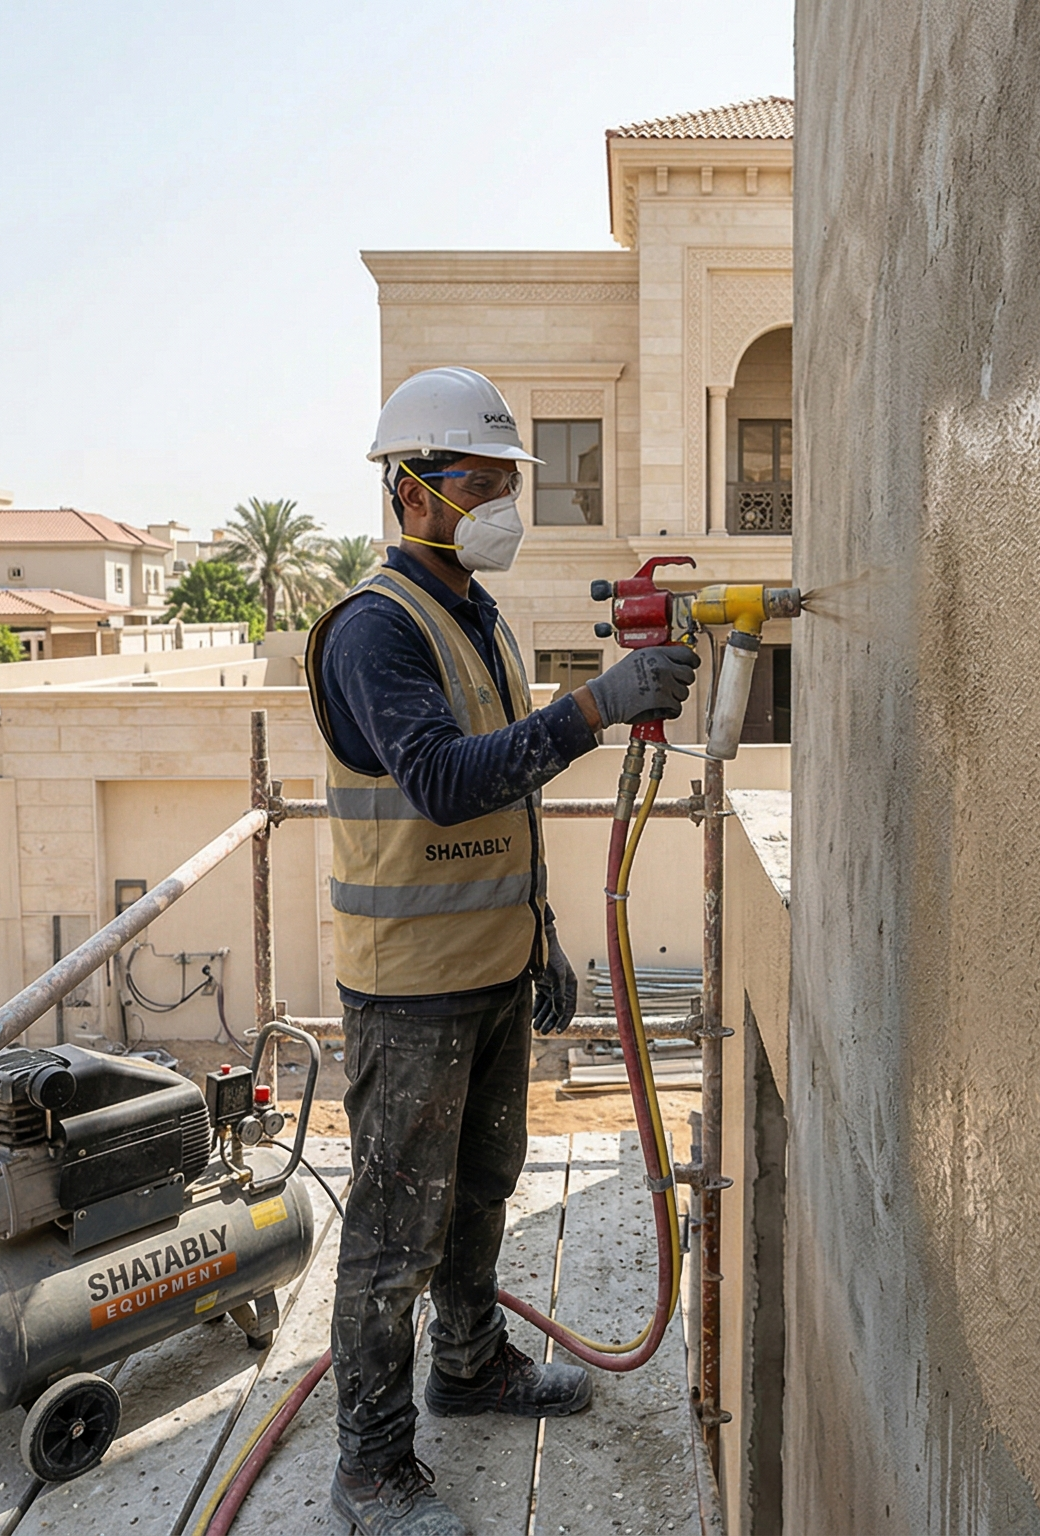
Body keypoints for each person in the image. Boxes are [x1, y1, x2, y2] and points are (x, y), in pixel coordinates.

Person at [304, 366, 699, 1536]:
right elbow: (437, 785)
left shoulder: (472, 613)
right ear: (410, 490)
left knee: (482, 1189)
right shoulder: (377, 629)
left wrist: (542, 938)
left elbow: (504, 811)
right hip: (410, 992)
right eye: (478, 480)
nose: (499, 501)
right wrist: (598, 705)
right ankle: (371, 1468)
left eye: (502, 480)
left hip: (485, 969)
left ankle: (468, 1368)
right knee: (393, 1231)